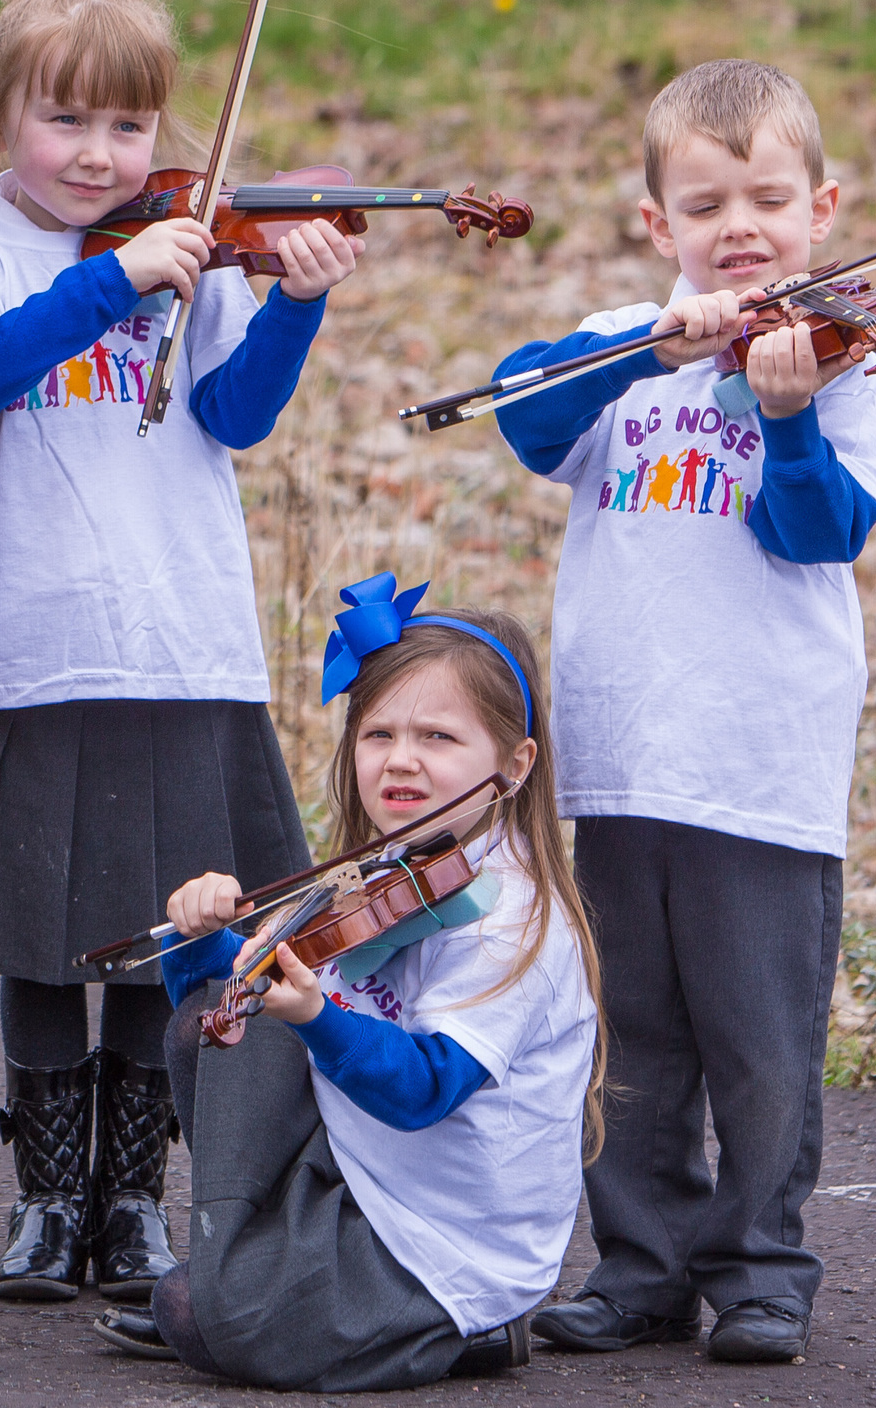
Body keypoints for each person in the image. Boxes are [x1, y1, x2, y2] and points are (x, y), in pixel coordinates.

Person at [0, 0, 363, 1307]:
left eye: (130, 129)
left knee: (176, 931)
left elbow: (234, 415)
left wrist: (288, 303)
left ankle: (135, 1200)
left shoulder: (195, 254)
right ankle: (48, 1200)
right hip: (35, 654)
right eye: (67, 124)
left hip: (180, 647)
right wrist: (109, 282)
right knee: (47, 938)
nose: (102, 157)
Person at [482, 59, 876, 1367]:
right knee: (634, 1039)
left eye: (769, 198)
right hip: (615, 763)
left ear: (822, 208)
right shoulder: (629, 346)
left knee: (762, 1047)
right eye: (706, 201)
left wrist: (784, 419)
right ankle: (641, 1265)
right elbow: (521, 415)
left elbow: (820, 531)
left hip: (758, 767)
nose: (742, 226)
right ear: (658, 223)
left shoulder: (840, 368)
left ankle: (764, 1268)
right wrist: (631, 351)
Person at [91, 590, 598, 1389]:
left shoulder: (509, 923)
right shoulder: (381, 878)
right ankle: (247, 1275)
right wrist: (204, 943)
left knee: (190, 1311)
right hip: (358, 1172)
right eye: (380, 734)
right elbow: (222, 1015)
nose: (401, 760)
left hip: (442, 1240)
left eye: (437, 736)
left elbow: (424, 1089)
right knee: (208, 1025)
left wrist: (318, 1017)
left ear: (514, 765)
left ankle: (465, 1327)